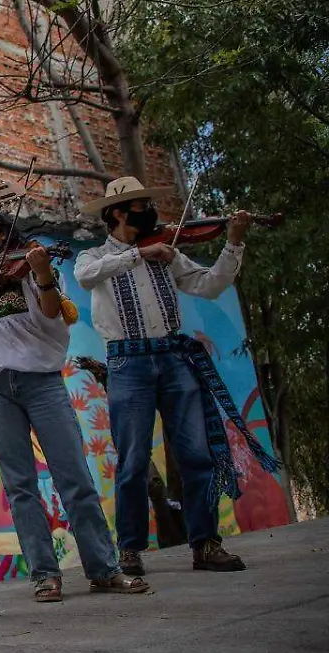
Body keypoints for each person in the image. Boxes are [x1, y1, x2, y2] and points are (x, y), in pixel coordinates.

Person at [0, 210, 148, 602]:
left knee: (74, 477)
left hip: (41, 382)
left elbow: (52, 312)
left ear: (4, 233)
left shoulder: (33, 270)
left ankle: (104, 568)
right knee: (19, 486)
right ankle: (45, 575)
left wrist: (43, 273)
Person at [73, 176, 279, 576]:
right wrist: (139, 254)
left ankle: (206, 544)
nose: (150, 213)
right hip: (127, 363)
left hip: (173, 356)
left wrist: (233, 243)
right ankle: (130, 550)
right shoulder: (93, 255)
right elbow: (86, 276)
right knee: (133, 460)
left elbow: (209, 285)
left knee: (196, 455)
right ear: (118, 213)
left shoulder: (168, 253)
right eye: (141, 207)